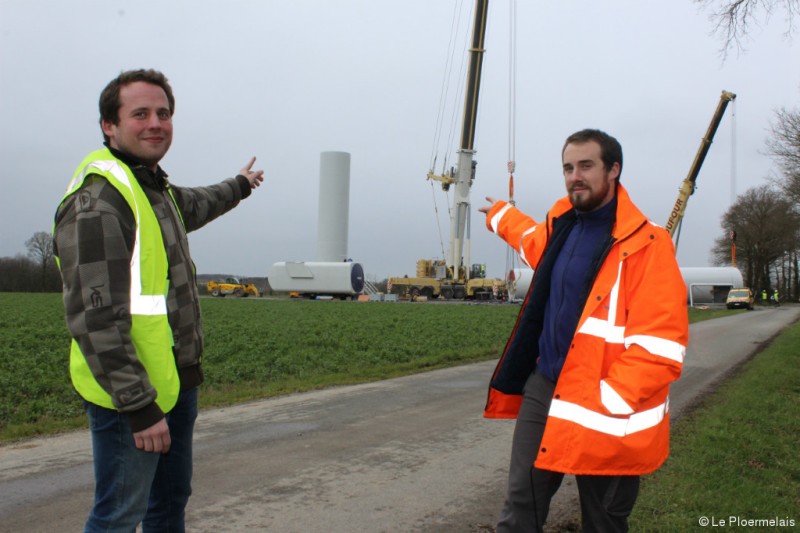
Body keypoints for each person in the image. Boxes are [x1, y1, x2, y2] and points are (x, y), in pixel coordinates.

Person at [52, 69, 265, 532]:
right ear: (109, 125)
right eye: (140, 113)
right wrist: (139, 407)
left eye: (163, 113)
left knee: (168, 505)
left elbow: (199, 202)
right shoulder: (100, 202)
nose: (155, 123)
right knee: (119, 516)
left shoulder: (154, 188)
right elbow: (95, 317)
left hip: (174, 385)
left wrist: (241, 184)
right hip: (133, 398)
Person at [479, 129, 689, 532]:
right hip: (546, 387)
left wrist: (608, 397)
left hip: (608, 404)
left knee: (603, 519)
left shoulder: (649, 244)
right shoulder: (562, 227)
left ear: (614, 170)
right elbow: (528, 239)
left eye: (586, 166)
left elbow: (661, 344)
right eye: (568, 168)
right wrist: (499, 215)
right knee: (521, 504)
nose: (575, 176)